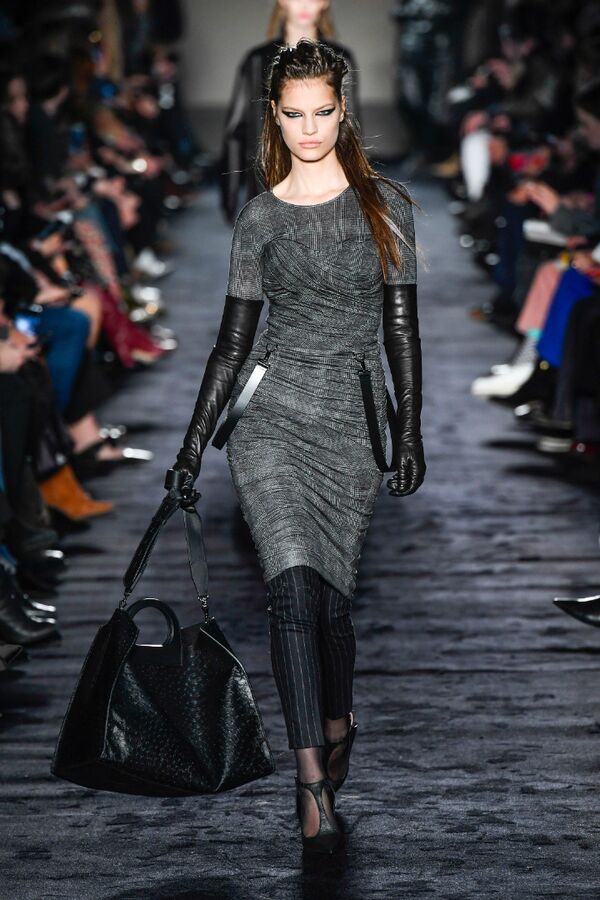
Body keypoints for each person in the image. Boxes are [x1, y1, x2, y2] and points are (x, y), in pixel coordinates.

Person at [171, 39, 425, 854]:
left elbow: (401, 331)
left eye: (322, 112)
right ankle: (311, 780)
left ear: (343, 112)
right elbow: (231, 343)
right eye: (293, 114)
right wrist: (192, 446)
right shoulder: (261, 218)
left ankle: (337, 721)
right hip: (272, 420)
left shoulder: (386, 205)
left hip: (351, 421)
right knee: (288, 595)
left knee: (330, 607)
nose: (309, 128)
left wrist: (409, 430)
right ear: (273, 118)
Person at [219, 0, 361, 224]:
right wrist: (231, 199)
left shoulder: (341, 59)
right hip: (268, 180)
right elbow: (235, 131)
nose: (304, 4)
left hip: (330, 186)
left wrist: (359, 191)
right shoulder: (256, 60)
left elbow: (353, 130)